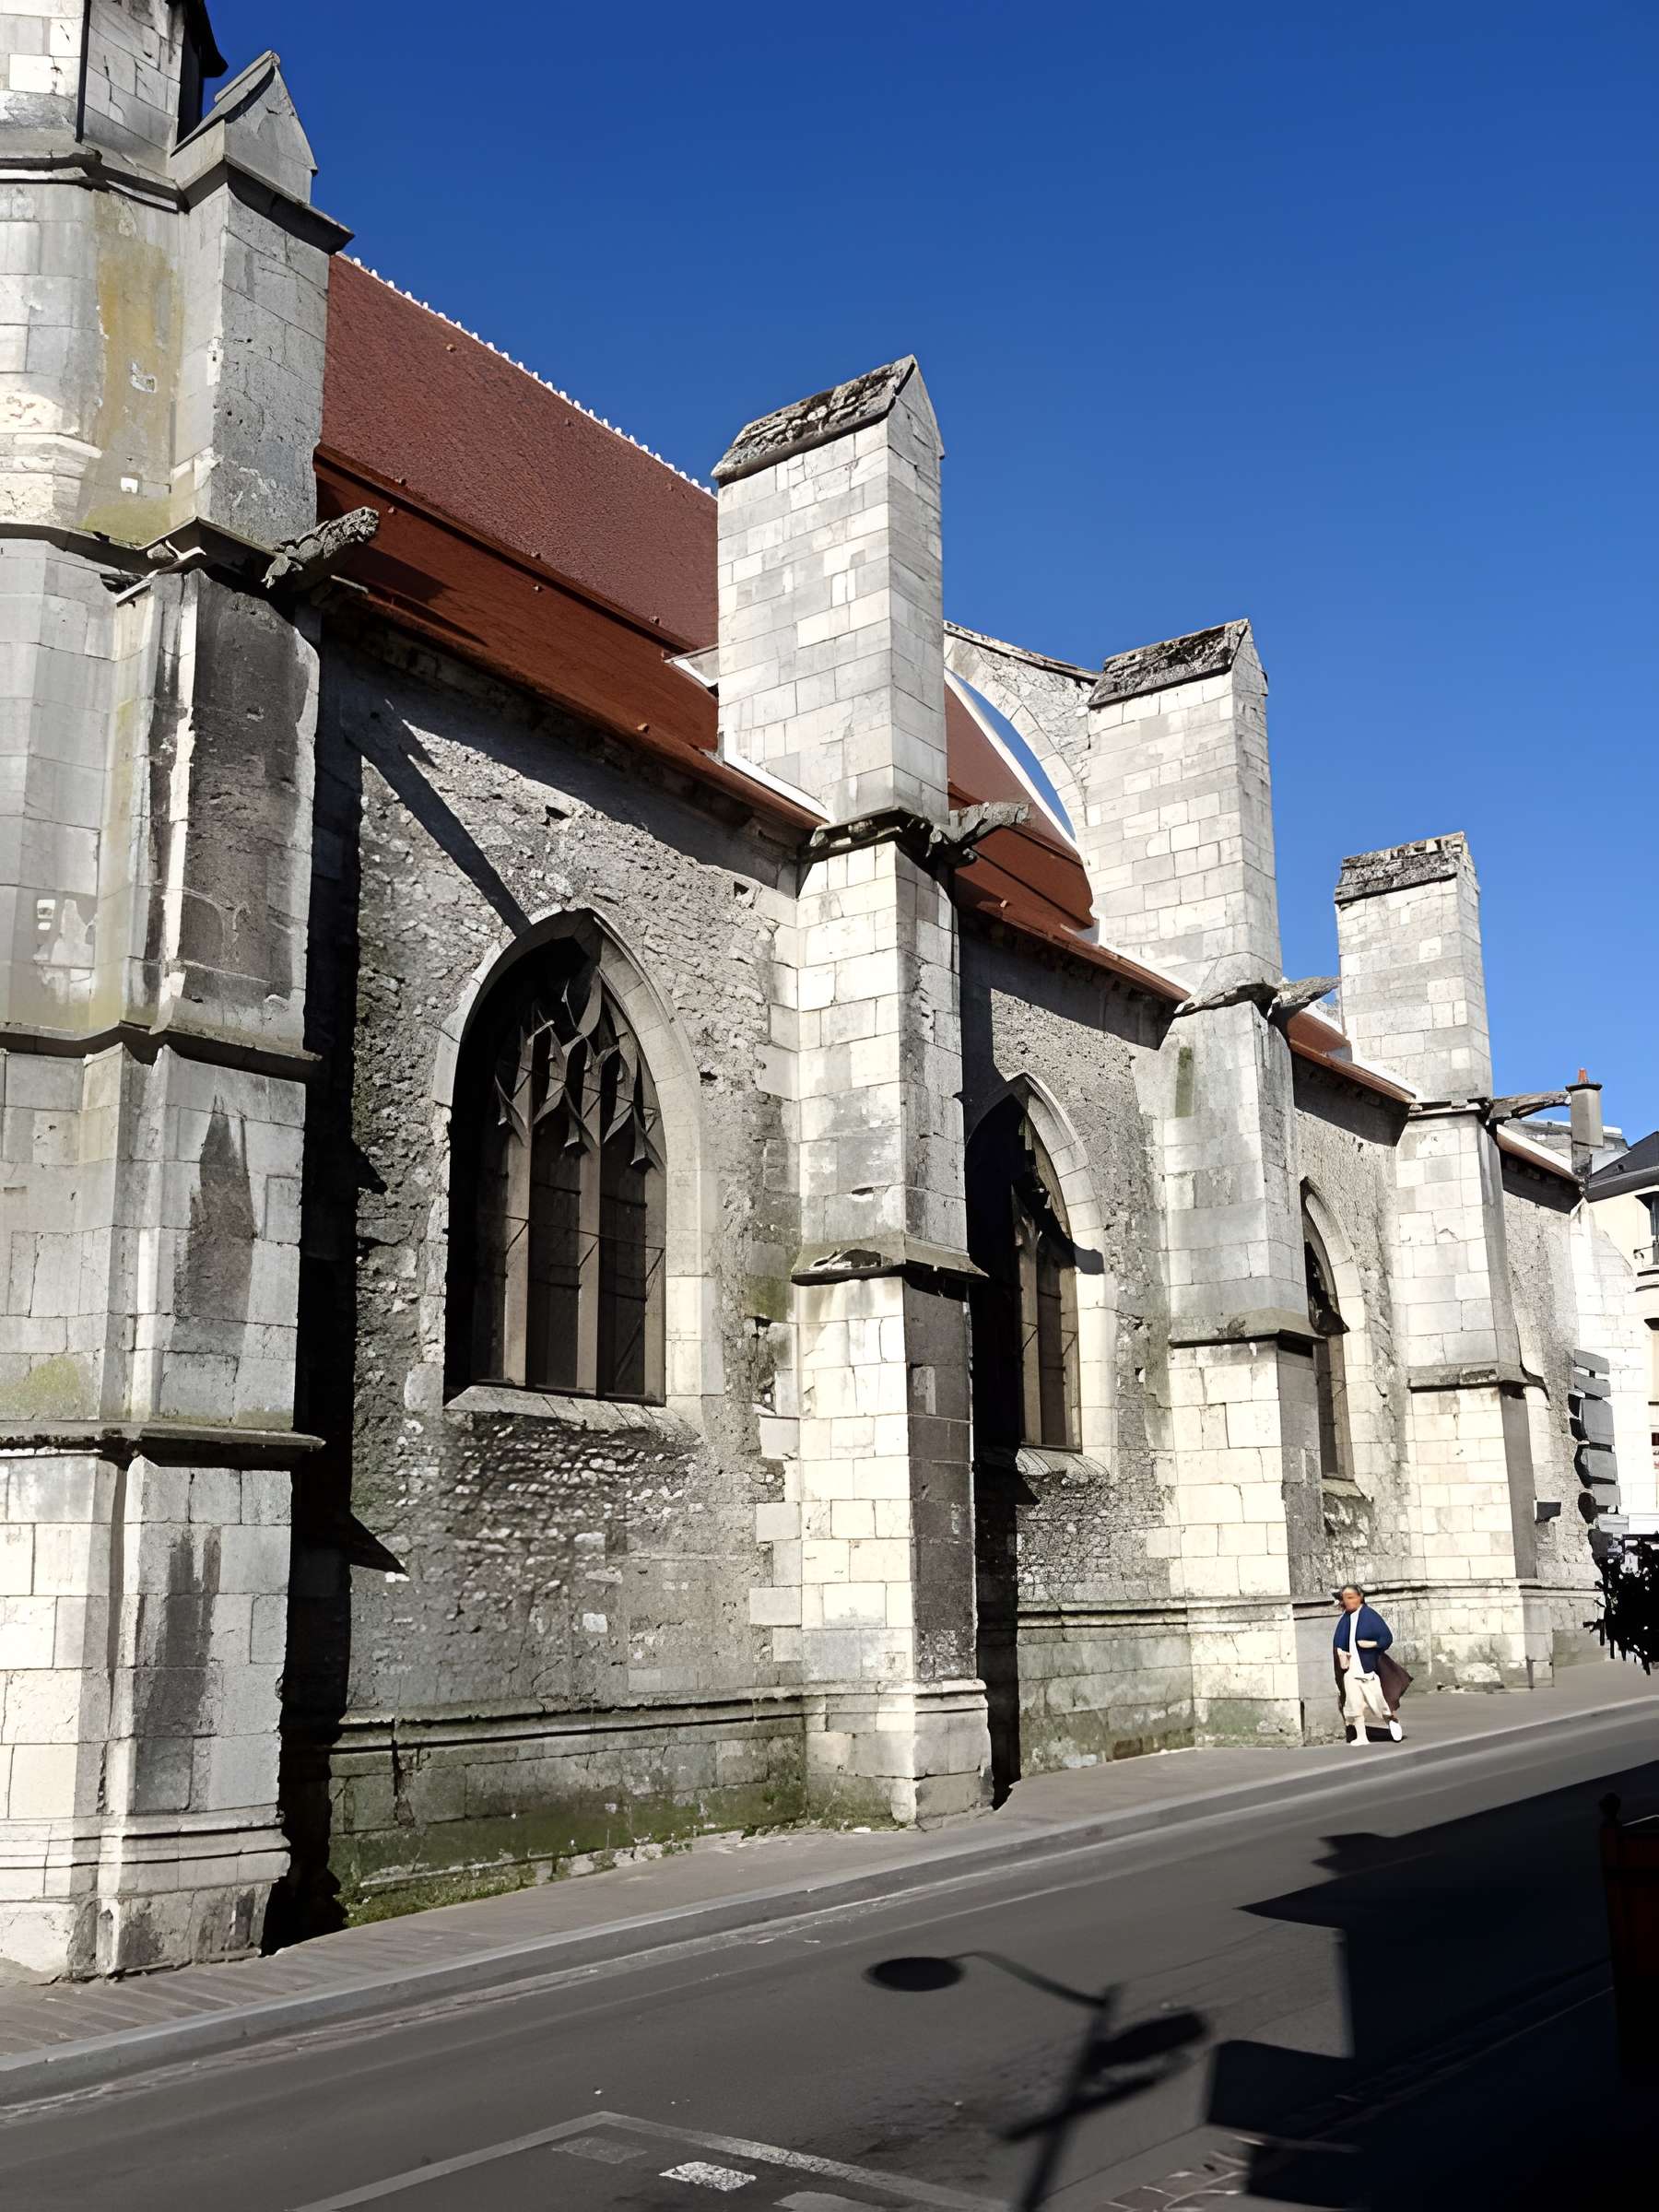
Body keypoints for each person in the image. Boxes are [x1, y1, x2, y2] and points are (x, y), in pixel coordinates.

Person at [1333, 1583, 1409, 1746]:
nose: (1347, 1601)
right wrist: (1341, 1653)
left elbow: (1386, 1638)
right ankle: (1362, 1736)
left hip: (1367, 1667)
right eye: (1344, 1598)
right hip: (1350, 1668)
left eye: (1351, 1597)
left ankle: (1391, 1720)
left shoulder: (1370, 1615)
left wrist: (1372, 1644)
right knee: (1354, 1702)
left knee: (1376, 1700)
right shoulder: (1345, 1618)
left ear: (1360, 1598)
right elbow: (1339, 1641)